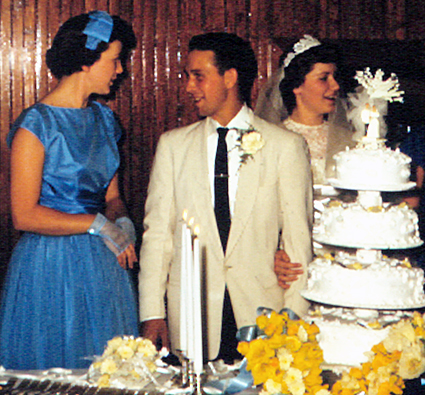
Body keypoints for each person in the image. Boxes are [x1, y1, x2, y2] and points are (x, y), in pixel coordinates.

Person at [138, 32, 313, 364]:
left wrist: (292, 320)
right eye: (188, 77)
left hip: (262, 318)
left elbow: (298, 243)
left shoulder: (284, 147)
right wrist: (152, 312)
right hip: (190, 318)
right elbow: (157, 236)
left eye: (198, 76)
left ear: (230, 77)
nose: (189, 87)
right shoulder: (173, 146)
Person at [0, 11, 139, 370]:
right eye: (114, 60)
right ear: (86, 60)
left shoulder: (105, 119)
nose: (120, 70)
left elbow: (112, 196)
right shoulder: (37, 124)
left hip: (103, 263)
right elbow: (24, 214)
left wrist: (122, 221)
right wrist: (96, 224)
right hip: (50, 264)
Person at [255, 35, 355, 288]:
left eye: (334, 77)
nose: (334, 86)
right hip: (291, 265)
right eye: (323, 78)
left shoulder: (352, 140)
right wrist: (272, 255)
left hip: (347, 261)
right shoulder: (271, 140)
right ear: (296, 86)